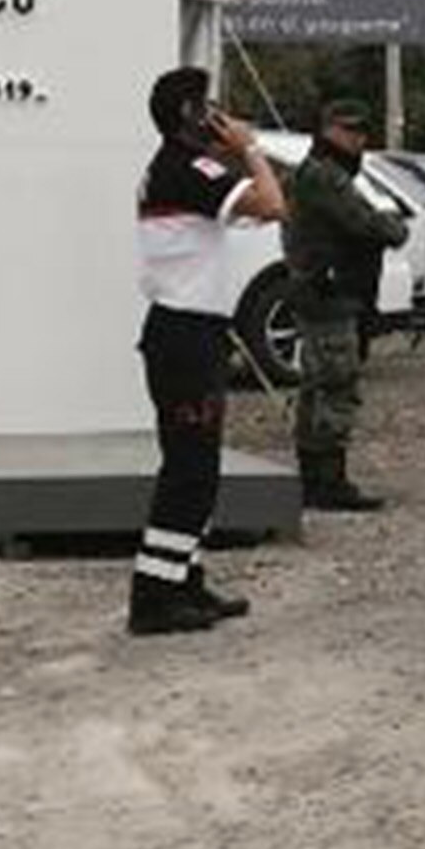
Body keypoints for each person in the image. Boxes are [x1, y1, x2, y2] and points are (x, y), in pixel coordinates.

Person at [131, 65, 287, 636]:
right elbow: (273, 205)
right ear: (192, 116)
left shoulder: (178, 169)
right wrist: (251, 149)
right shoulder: (190, 167)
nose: (220, 115)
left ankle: (182, 583)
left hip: (185, 332)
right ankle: (153, 598)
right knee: (190, 472)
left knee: (196, 467)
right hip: (185, 335)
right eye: (210, 107)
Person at [281, 97, 412, 512]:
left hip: (326, 290)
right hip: (329, 292)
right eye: (350, 131)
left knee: (319, 385)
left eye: (361, 131)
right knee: (336, 385)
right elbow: (365, 222)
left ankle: (314, 477)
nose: (359, 140)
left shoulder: (320, 172)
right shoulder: (324, 176)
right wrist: (393, 228)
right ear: (329, 131)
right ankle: (327, 480)